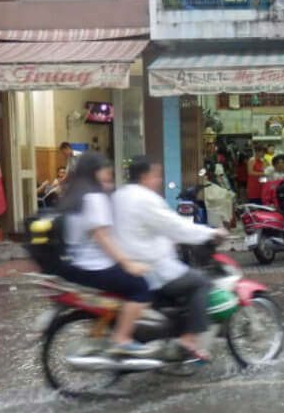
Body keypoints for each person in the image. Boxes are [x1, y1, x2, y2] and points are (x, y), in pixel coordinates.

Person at [113, 156, 227, 360]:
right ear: (145, 176)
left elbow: (151, 228)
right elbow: (176, 226)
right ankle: (189, 339)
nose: (159, 180)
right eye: (156, 175)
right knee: (200, 283)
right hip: (151, 267)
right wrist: (211, 233)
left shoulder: (120, 195)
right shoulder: (146, 199)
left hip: (128, 263)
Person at [57, 152, 156, 356]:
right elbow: (102, 237)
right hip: (95, 266)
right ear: (95, 172)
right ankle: (121, 338)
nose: (109, 180)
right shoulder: (94, 198)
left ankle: (105, 330)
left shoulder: (74, 197)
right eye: (107, 175)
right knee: (142, 288)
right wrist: (128, 264)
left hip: (77, 265)